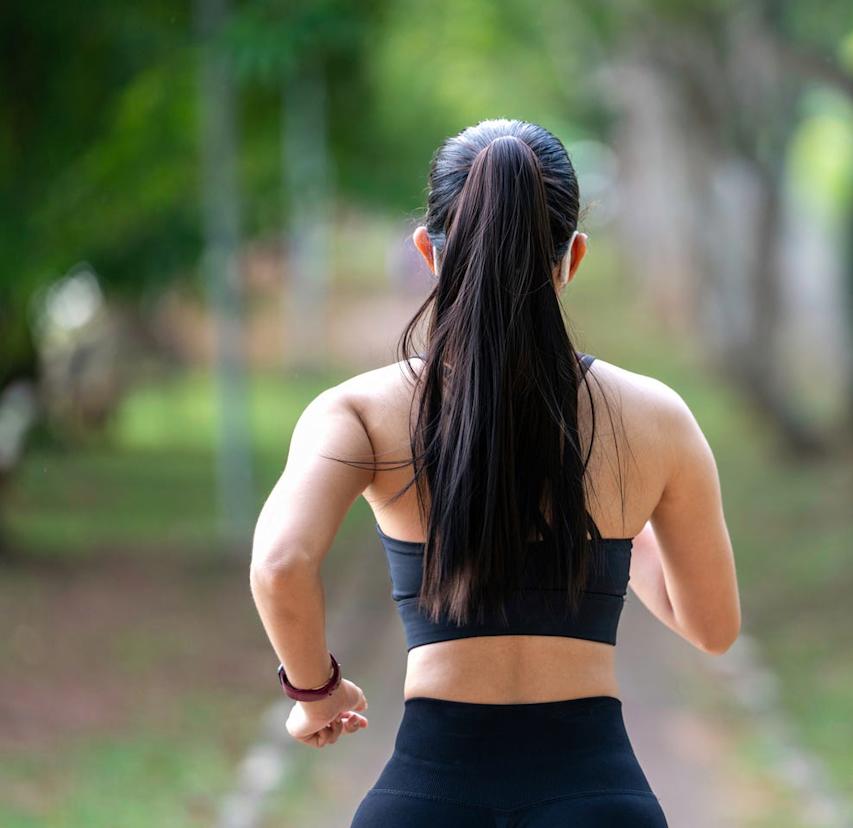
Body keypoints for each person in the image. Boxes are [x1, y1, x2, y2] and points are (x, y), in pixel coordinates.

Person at [249, 118, 741, 827]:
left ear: (427, 251)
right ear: (572, 257)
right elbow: (714, 626)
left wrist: (316, 693)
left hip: (424, 802)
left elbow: (280, 563)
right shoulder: (655, 417)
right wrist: (611, 532)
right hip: (600, 803)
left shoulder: (357, 411)